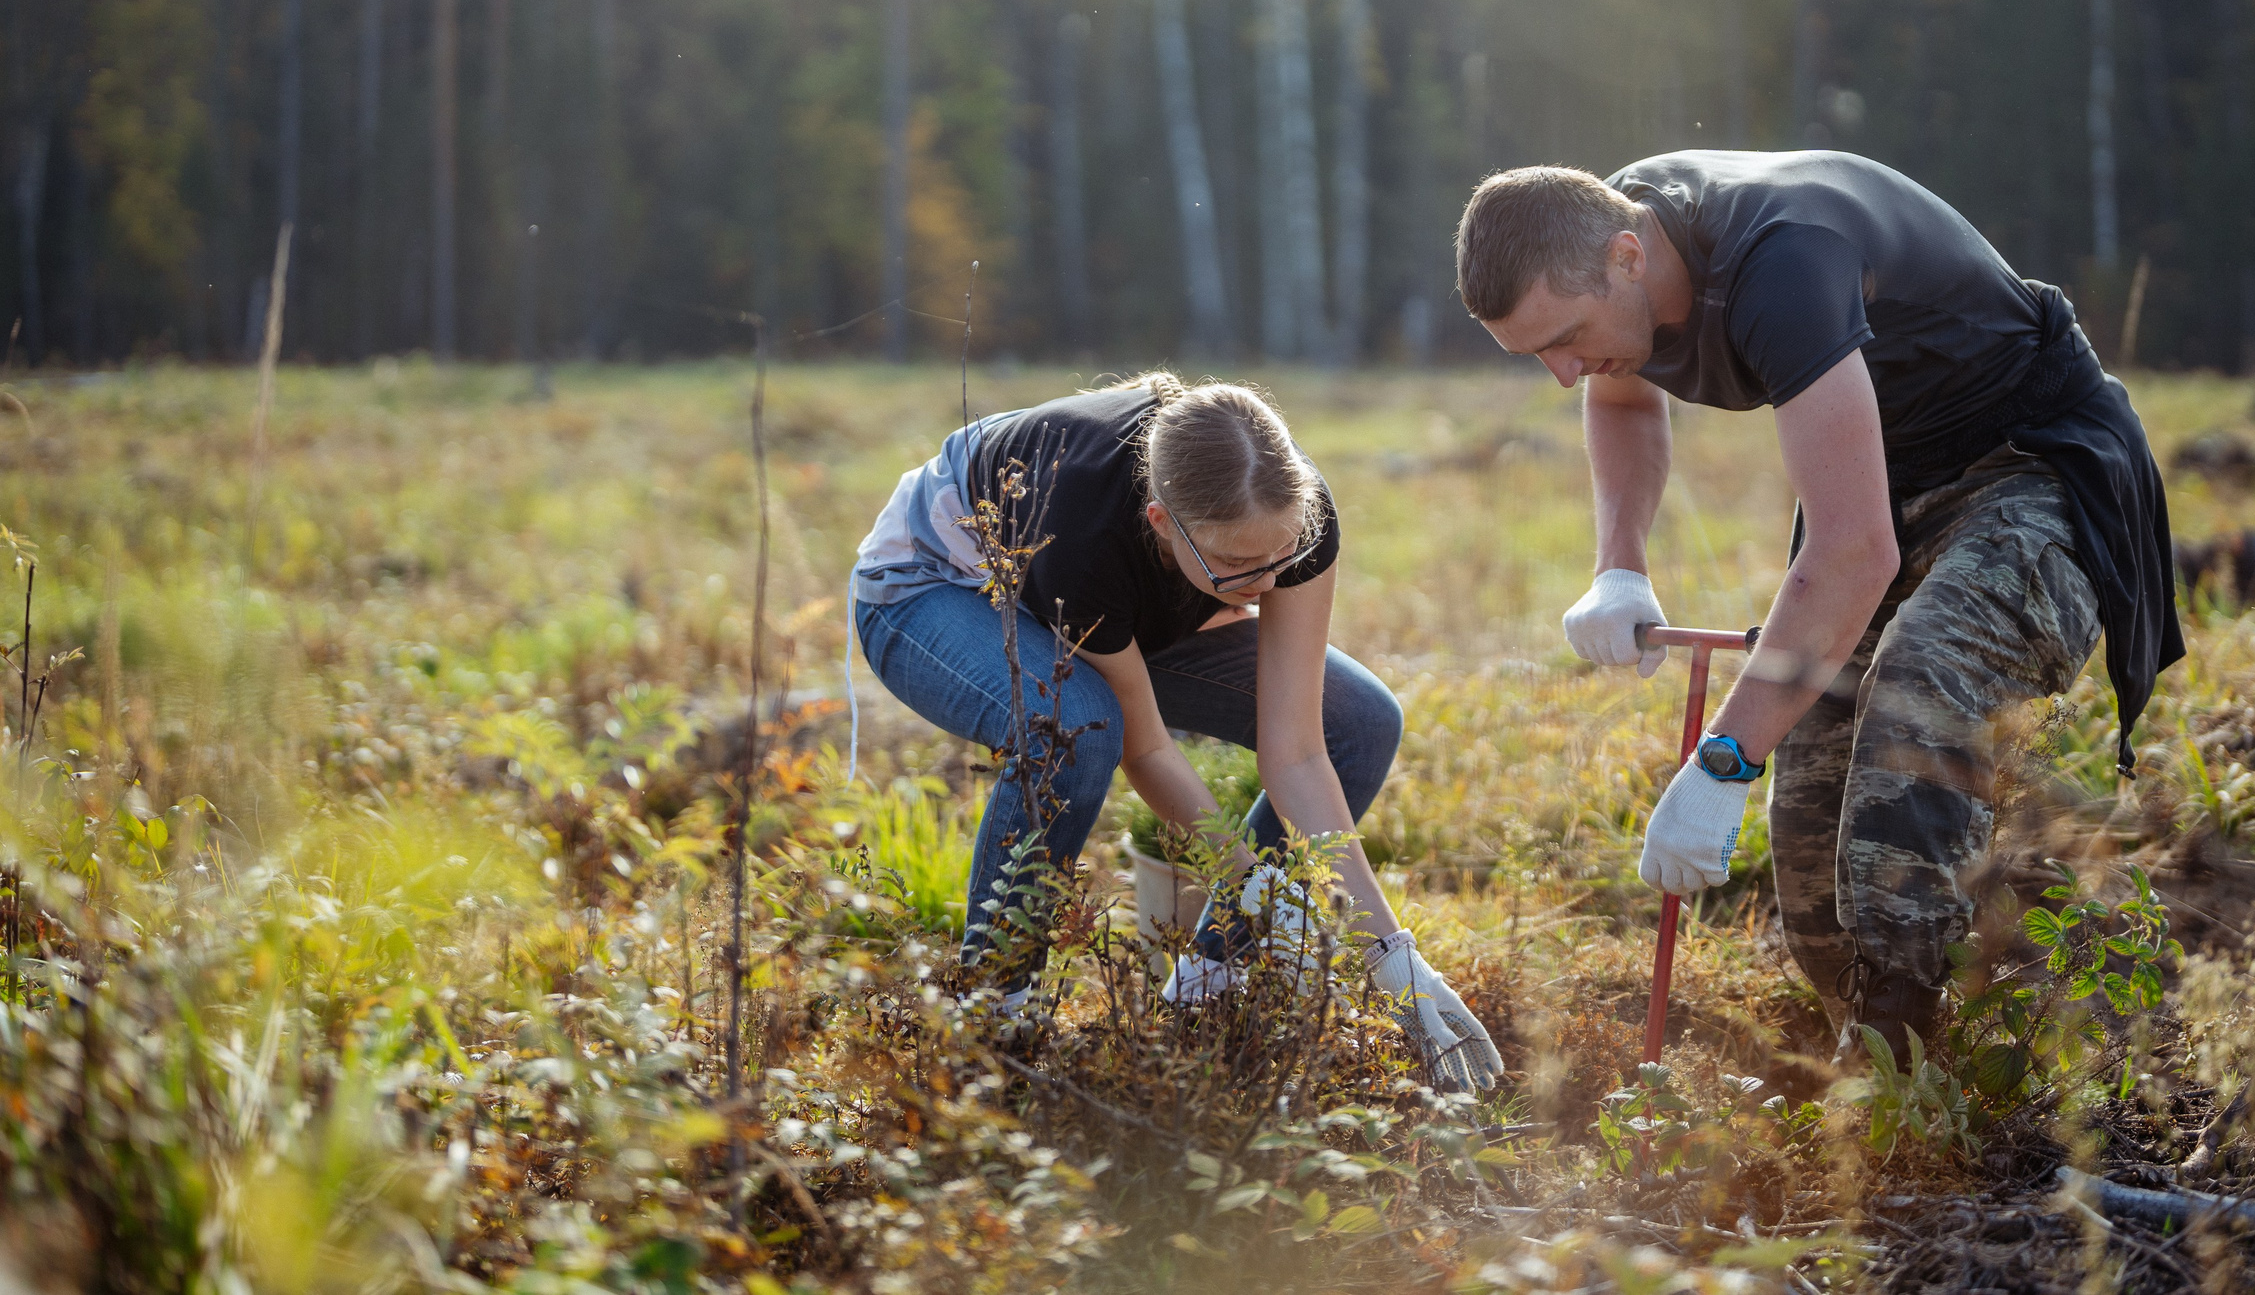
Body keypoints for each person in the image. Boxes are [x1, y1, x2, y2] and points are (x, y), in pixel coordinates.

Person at [1454, 154, 2181, 1058]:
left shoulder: (1784, 265)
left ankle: (1922, 1069)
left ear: (1629, 258)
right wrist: (1619, 567)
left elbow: (1852, 552)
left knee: (1923, 683)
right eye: (1536, 356)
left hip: (2032, 463)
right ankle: (1897, 1041)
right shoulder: (1604, 239)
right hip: (1889, 480)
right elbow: (1623, 396)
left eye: (1567, 337)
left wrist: (1722, 761)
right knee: (1813, 847)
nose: (1563, 376)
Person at [851, 372, 1500, 1087]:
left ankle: (1207, 992)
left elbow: (1301, 751)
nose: (1266, 582)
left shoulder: (1290, 515)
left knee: (1362, 719)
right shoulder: (1085, 527)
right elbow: (1145, 744)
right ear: (1163, 522)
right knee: (1077, 723)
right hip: (931, 588)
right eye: (1236, 565)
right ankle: (995, 1025)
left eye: (1280, 557)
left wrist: (1389, 952)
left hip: (1120, 614)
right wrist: (1256, 885)